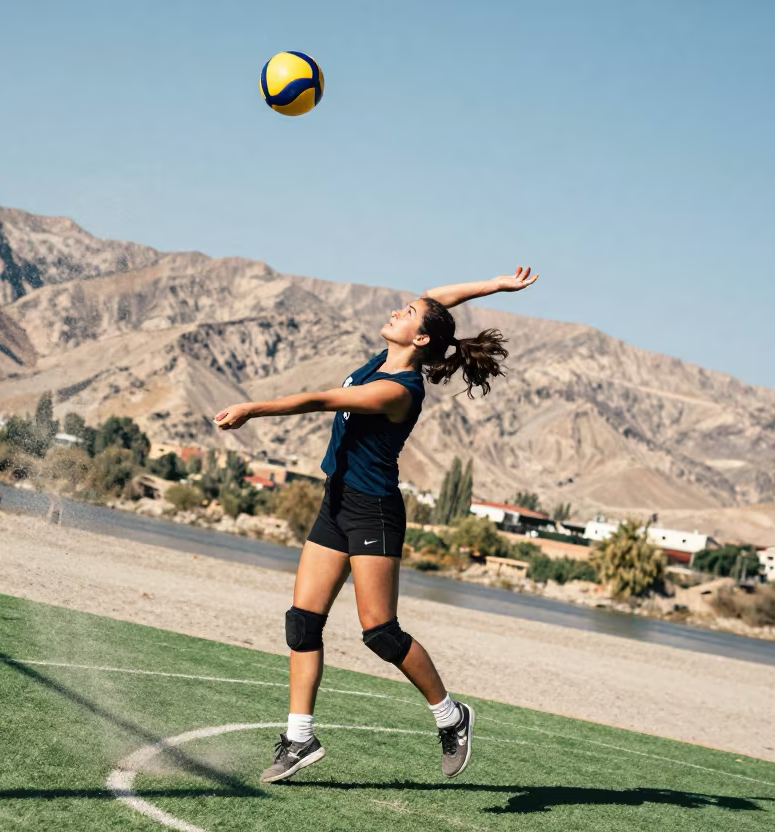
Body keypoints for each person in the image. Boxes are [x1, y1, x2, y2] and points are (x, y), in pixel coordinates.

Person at [214, 267, 538, 783]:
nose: (396, 311)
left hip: (374, 511)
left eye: (406, 314)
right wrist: (495, 287)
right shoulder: (384, 359)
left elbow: (320, 400)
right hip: (336, 502)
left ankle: (452, 717)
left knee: (381, 633)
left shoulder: (399, 389)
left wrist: (254, 409)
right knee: (302, 623)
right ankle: (299, 739)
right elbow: (435, 297)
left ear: (421, 339)